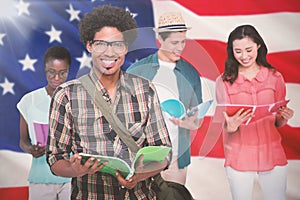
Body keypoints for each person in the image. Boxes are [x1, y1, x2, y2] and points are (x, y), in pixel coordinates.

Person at [46, 5, 171, 200]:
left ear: (126, 48)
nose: (109, 52)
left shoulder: (145, 90)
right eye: (101, 44)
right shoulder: (66, 95)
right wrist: (74, 169)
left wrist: (138, 177)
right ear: (90, 46)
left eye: (117, 44)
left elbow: (163, 153)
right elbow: (55, 158)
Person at [215, 24, 294, 200]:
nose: (244, 56)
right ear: (231, 51)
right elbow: (224, 123)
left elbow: (277, 122)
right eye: (238, 51)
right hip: (239, 154)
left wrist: (283, 117)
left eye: (249, 50)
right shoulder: (224, 81)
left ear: (258, 45)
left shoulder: (275, 77)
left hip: (272, 152)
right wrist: (231, 125)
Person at [127, 12, 203, 186]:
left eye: (183, 41)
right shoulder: (136, 70)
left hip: (177, 158)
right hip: (143, 157)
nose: (180, 47)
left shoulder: (190, 74)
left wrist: (191, 124)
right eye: (174, 43)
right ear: (159, 39)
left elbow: (197, 118)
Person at [17, 46, 72, 200]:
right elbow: (23, 140)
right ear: (45, 70)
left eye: (62, 73)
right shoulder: (29, 100)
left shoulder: (75, 99)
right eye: (51, 72)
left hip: (70, 177)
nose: (56, 78)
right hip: (41, 176)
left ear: (68, 70)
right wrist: (31, 149)